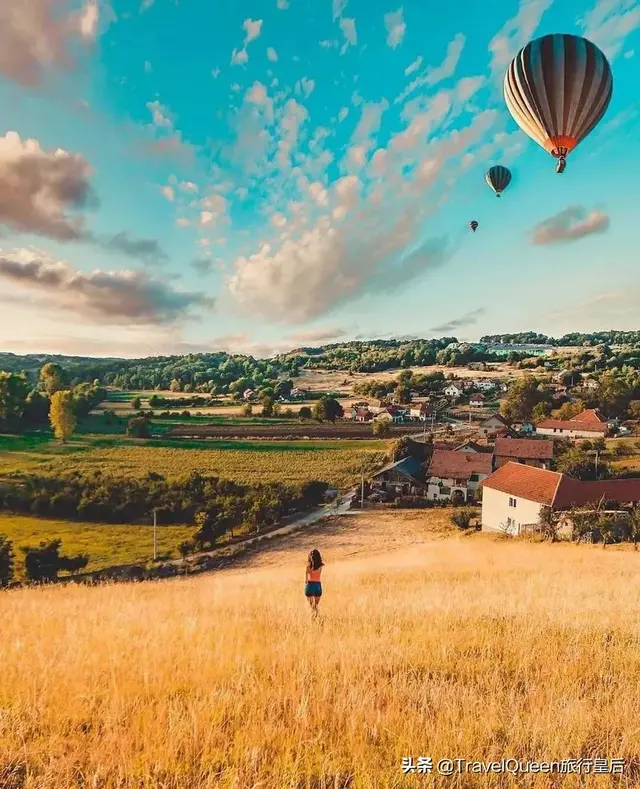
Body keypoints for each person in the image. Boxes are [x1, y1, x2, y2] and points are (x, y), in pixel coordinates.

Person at [305, 549, 324, 618]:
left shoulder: (307, 567)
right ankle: (317, 617)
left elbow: (306, 580)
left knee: (311, 607)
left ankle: (313, 619)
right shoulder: (321, 567)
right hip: (318, 586)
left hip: (310, 585)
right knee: (316, 606)